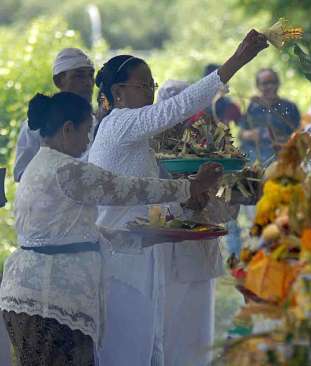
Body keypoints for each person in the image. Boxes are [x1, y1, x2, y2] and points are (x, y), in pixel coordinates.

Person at [0, 92, 221, 365]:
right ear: (68, 129)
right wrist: (191, 186)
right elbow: (128, 188)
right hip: (52, 297)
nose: (89, 141)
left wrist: (140, 240)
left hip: (30, 292)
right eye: (86, 132)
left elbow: (73, 234)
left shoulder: (40, 165)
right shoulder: (67, 170)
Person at [88, 30, 267, 365]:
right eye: (145, 85)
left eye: (153, 86)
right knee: (126, 350)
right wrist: (238, 60)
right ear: (119, 93)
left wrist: (193, 197)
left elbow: (153, 196)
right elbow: (180, 106)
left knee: (148, 347)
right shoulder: (119, 123)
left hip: (139, 251)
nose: (152, 94)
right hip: (118, 255)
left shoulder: (136, 137)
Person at [155, 80, 239, 365]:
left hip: (201, 257)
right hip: (163, 256)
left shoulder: (209, 145)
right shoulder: (148, 149)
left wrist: (235, 194)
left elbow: (224, 212)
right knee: (163, 335)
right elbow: (143, 197)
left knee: (197, 337)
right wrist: (183, 203)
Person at [13, 48, 95, 182]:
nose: (88, 83)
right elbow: (21, 173)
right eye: (79, 76)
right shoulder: (36, 125)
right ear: (59, 81)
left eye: (91, 75)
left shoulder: (96, 121)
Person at [239, 68, 301, 164]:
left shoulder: (290, 107)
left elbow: (299, 136)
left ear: (278, 83)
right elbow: (241, 134)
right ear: (258, 86)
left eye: (273, 82)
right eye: (265, 83)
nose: (270, 86)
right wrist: (253, 134)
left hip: (281, 161)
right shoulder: (252, 107)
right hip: (254, 162)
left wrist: (282, 139)